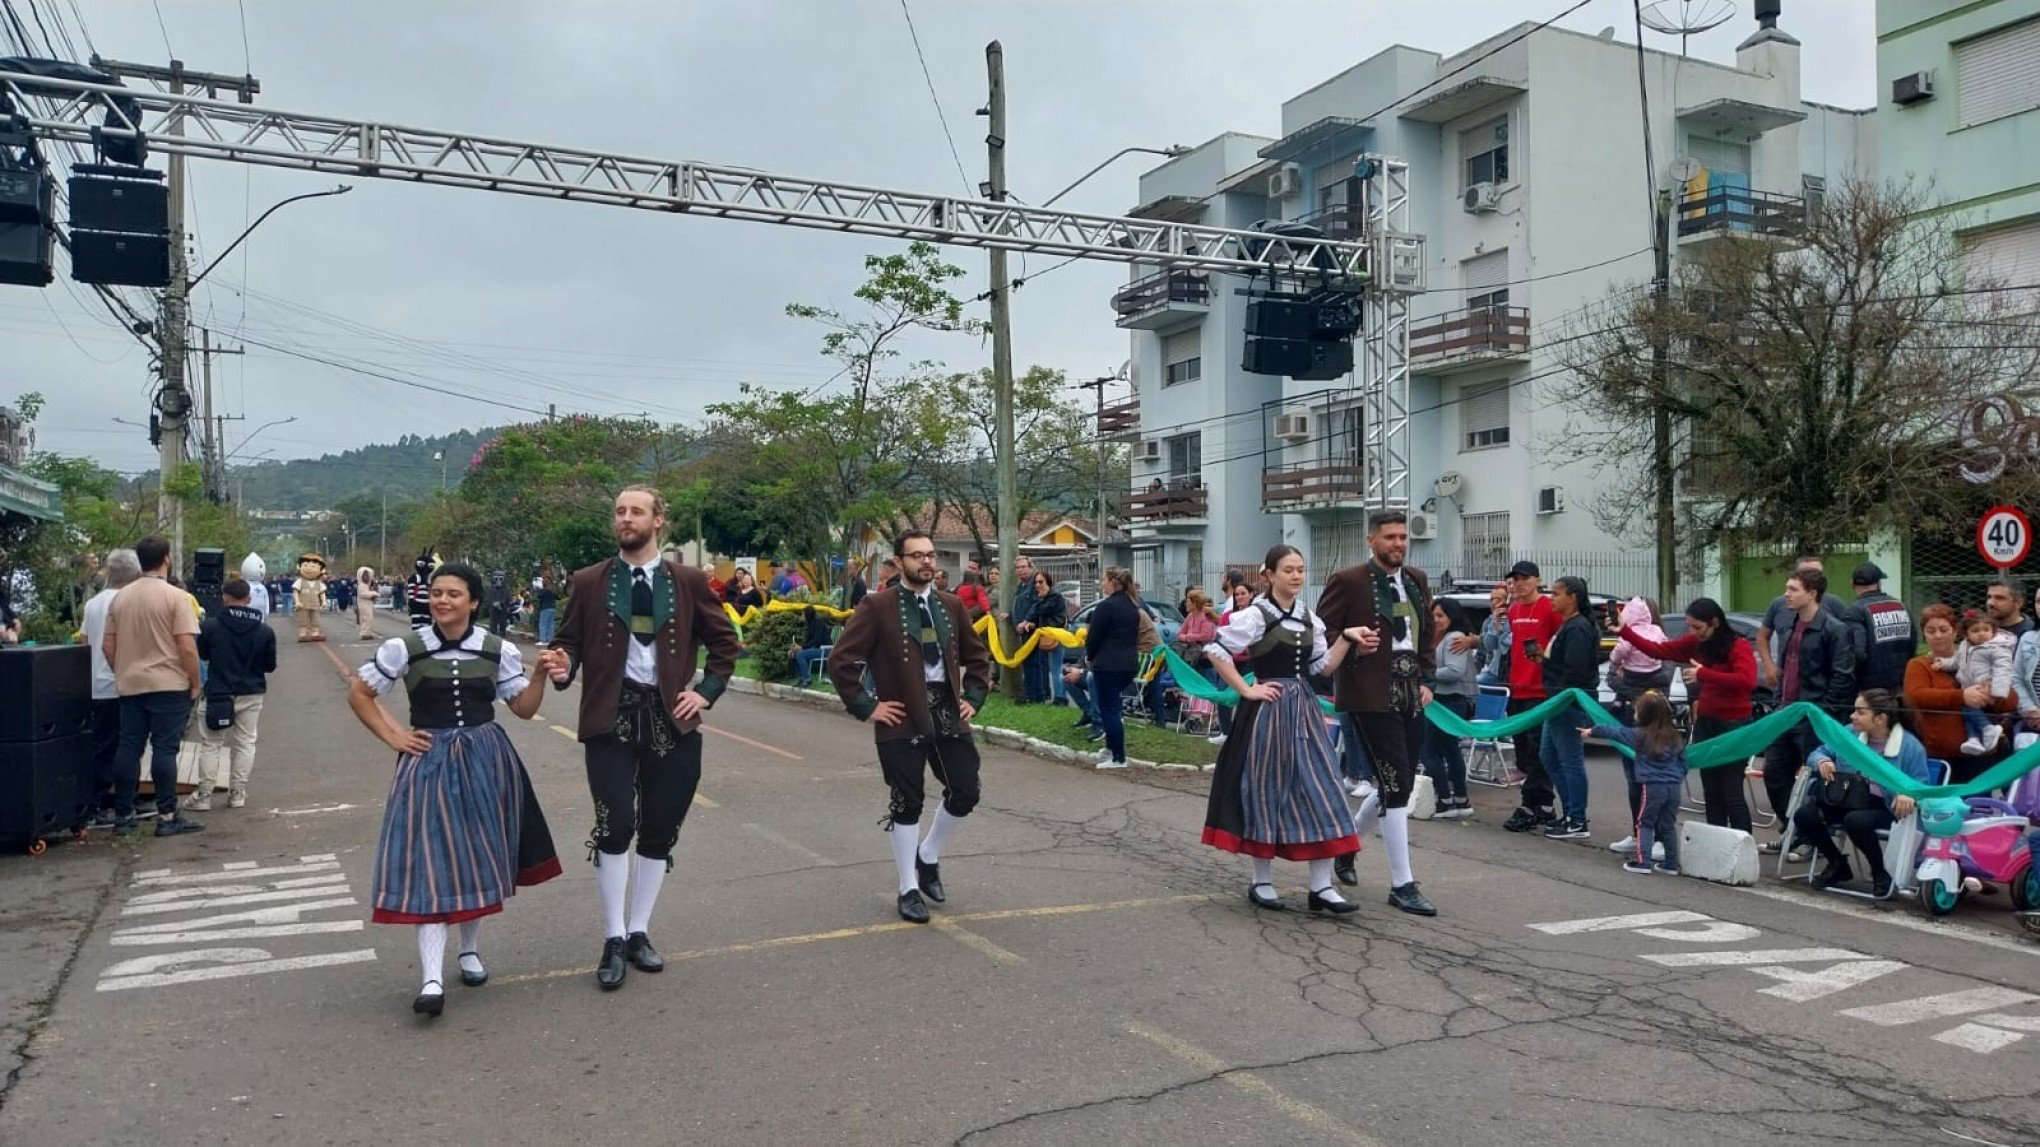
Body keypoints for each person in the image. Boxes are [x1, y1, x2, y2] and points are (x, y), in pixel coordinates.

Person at [540, 486, 741, 991]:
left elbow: (724, 644)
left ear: (658, 521)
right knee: (615, 825)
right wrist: (562, 665)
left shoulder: (690, 581)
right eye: (620, 512)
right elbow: (567, 642)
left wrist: (706, 694)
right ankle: (611, 937)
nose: (625, 519)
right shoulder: (589, 582)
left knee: (658, 829)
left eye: (636, 512)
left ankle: (638, 932)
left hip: (673, 719)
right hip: (611, 718)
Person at [349, 561, 561, 1017]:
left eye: (453, 594)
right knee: (432, 862)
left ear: (474, 602)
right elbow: (360, 695)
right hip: (429, 761)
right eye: (437, 593)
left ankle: (469, 950)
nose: (442, 600)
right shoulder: (404, 647)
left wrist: (539, 675)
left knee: (479, 854)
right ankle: (430, 977)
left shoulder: (496, 648)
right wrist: (395, 736)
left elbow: (522, 709)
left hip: (486, 760)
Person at [826, 530, 993, 924]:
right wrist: (868, 706)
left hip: (948, 711)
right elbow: (841, 661)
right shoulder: (877, 605)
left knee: (966, 790)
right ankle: (908, 888)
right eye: (917, 556)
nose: (927, 562)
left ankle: (928, 856)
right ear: (899, 561)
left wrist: (974, 695)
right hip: (900, 713)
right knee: (907, 800)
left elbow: (978, 657)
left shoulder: (952, 605)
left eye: (931, 555)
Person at [1201, 545, 1368, 914]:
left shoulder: (1311, 618)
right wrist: (1246, 689)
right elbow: (1215, 649)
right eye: (1288, 570)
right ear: (1270, 575)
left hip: (1304, 712)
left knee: (1323, 788)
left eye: (1301, 570)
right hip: (1268, 712)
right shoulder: (1256, 615)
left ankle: (1321, 887)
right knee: (1266, 789)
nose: (1296, 576)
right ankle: (1261, 881)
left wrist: (1346, 638)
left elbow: (1322, 669)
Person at [1317, 509, 1439, 915]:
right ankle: (1402, 884)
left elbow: (1427, 636)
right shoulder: (1349, 581)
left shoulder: (1417, 580)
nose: (1399, 544)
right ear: (1371, 540)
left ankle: (1346, 848)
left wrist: (1428, 681)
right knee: (1395, 781)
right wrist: (1350, 640)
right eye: (1390, 537)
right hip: (1369, 693)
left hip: (1410, 691)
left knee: (1398, 782)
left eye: (1403, 537)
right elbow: (1322, 633)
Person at [1617, 598, 1758, 832]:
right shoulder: (1695, 643)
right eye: (1690, 627)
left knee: (1732, 791)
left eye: (1698, 627)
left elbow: (1746, 681)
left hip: (1734, 726)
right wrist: (1625, 632)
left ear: (1715, 623)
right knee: (1711, 790)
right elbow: (1659, 650)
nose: (1694, 632)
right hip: (1707, 723)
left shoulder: (1738, 646)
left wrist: (1705, 674)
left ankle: (1743, 844)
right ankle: (1716, 843)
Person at [102, 535, 205, 837]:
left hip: (130, 683)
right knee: (164, 749)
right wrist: (195, 682)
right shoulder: (176, 598)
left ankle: (123, 815)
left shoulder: (120, 597)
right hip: (168, 684)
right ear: (167, 559)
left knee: (128, 748)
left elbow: (108, 645)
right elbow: (186, 646)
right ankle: (168, 814)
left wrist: (122, 670)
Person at [1791, 689, 1931, 896]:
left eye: (1860, 712)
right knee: (1804, 815)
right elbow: (1817, 752)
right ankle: (1837, 863)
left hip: (1883, 806)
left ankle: (1879, 873)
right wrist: (1822, 760)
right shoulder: (1850, 733)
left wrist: (1908, 794)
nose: (1852, 716)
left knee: (1856, 820)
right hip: (1846, 798)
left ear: (1880, 719)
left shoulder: (1910, 746)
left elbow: (1921, 786)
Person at [1757, 568, 1857, 855]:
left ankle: (1816, 840)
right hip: (1785, 713)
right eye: (1787, 588)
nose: (1786, 594)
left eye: (1793, 589)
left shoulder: (1835, 629)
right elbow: (1787, 669)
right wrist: (1779, 703)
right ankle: (1795, 830)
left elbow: (1842, 677)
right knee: (1774, 774)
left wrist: (1819, 711)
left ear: (1812, 594)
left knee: (1815, 781)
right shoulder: (1789, 626)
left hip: (1813, 716)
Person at [185, 578, 277, 812]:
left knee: (211, 743)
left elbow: (203, 654)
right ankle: (237, 792)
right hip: (251, 691)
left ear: (224, 597)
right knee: (246, 742)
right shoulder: (264, 630)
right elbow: (269, 665)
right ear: (248, 599)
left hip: (218, 691)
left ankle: (204, 794)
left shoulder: (210, 627)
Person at [1527, 575, 1600, 841]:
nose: (1551, 598)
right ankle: (1570, 811)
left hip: (1568, 703)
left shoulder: (1579, 627)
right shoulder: (1566, 626)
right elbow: (1560, 662)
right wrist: (1543, 660)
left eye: (1557, 594)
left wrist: (1552, 672)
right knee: (1549, 756)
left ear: (1573, 597)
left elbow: (1575, 670)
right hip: (1556, 702)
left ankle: (1577, 819)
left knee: (1570, 760)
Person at [1586, 691, 1686, 876]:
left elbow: (1615, 732)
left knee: (1644, 823)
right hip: (1673, 786)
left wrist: (1592, 730)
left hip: (1652, 786)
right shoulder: (1675, 736)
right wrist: (1677, 776)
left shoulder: (1639, 735)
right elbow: (1683, 762)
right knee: (1668, 825)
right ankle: (1671, 864)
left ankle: (1643, 862)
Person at [78, 548, 140, 830]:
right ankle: (117, 802)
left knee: (101, 746)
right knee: (127, 747)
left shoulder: (92, 604)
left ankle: (99, 801)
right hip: (120, 685)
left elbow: (84, 642)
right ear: (134, 573)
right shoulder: (129, 601)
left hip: (94, 683)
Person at [1500, 561, 1560, 832]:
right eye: (1515, 579)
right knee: (1523, 752)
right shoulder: (1513, 611)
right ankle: (1543, 805)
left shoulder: (1549, 607)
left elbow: (1560, 642)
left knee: (1538, 752)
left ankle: (1529, 804)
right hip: (1518, 689)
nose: (1519, 583)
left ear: (1538, 580)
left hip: (1540, 691)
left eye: (1525, 578)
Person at [1910, 604, 2009, 764]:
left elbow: (2010, 699)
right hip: (1940, 754)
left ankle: (1985, 732)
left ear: (1955, 632)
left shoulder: (1983, 655)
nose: (1937, 636)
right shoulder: (1919, 664)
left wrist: (1992, 694)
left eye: (1943, 630)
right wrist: (1962, 696)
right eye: (1930, 631)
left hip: (1984, 753)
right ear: (1924, 635)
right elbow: (1917, 697)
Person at [1424, 597, 1478, 821]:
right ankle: (1459, 799)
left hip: (1451, 701)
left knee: (1428, 750)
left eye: (1441, 616)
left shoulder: (1454, 637)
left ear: (1452, 617)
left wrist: (1425, 676)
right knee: (1448, 750)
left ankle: (1446, 799)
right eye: (1434, 615)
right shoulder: (1437, 637)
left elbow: (1454, 671)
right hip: (1441, 701)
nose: (1436, 620)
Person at [1083, 568, 1143, 769]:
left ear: (1112, 582)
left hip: (1108, 664)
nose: (1102, 583)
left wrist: (1089, 656)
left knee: (1109, 709)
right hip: (1128, 664)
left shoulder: (1107, 606)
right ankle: (1110, 748)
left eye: (1103, 580)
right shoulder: (1132, 606)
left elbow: (1094, 636)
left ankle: (1118, 757)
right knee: (1113, 706)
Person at [1755, 557, 1843, 691]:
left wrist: (1828, 704)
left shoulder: (1834, 607)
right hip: (1786, 689)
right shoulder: (1780, 607)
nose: (1812, 577)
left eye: (1817, 573)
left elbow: (1843, 666)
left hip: (1816, 696)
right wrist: (1769, 667)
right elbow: (1762, 636)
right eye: (1806, 573)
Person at [1941, 609, 2015, 757]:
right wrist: (1943, 664)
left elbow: (2003, 669)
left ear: (1993, 631)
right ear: (1966, 633)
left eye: (1986, 630)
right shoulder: (1964, 646)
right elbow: (1957, 661)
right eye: (1975, 630)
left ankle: (1988, 729)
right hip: (1969, 687)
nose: (1981, 633)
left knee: (1966, 705)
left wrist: (1998, 691)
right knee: (1966, 712)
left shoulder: (1997, 647)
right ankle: (1973, 739)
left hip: (1986, 688)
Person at [1843, 564, 1913, 693]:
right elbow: (1912, 645)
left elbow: (1858, 654)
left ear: (1852, 584)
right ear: (1879, 584)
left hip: (1871, 691)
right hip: (1903, 685)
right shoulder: (1901, 606)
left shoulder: (1854, 611)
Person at [1605, 597, 1672, 716]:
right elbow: (1665, 646)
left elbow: (1621, 650)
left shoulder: (1629, 633)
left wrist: (1615, 662)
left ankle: (1618, 703)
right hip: (1655, 670)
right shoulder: (1657, 630)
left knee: (1622, 690)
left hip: (1633, 674)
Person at [1020, 569, 1067, 705]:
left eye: (1041, 582)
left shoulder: (1054, 596)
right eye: (1036, 583)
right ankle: (1051, 696)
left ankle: (1060, 698)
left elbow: (1043, 610)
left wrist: (1040, 600)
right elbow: (1037, 615)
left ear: (1048, 582)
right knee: (1047, 667)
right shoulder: (1043, 597)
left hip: (1056, 635)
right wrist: (1031, 623)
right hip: (1046, 635)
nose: (1038, 585)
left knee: (1056, 668)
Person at [790, 604, 834, 687]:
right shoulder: (809, 624)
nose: (802, 616)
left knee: (800, 654)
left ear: (807, 614)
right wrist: (797, 647)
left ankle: (807, 679)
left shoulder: (819, 622)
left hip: (825, 650)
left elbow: (816, 640)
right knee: (795, 653)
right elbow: (809, 642)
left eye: (803, 614)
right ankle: (801, 677)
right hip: (817, 649)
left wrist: (802, 648)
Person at [1475, 584, 1510, 687]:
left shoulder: (1511, 618)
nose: (1494, 603)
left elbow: (1507, 646)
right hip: (1489, 670)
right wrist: (1494, 622)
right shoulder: (1489, 621)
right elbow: (1486, 647)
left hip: (1502, 674)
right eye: (1492, 599)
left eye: (1498, 599)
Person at [1986, 577, 2034, 641]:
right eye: (1989, 597)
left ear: (2018, 603)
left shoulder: (2034, 633)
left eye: (1999, 598)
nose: (1990, 603)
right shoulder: (1977, 630)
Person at [533, 575, 558, 645]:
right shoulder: (553, 590)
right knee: (550, 624)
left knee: (543, 624)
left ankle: (543, 640)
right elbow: (557, 597)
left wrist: (539, 589)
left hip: (545, 608)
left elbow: (539, 596)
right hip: (552, 607)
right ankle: (550, 640)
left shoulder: (544, 590)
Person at [355, 566, 379, 640]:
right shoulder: (361, 585)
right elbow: (364, 594)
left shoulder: (366, 585)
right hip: (363, 604)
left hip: (368, 604)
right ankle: (364, 633)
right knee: (365, 619)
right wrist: (374, 593)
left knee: (369, 619)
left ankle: (368, 632)